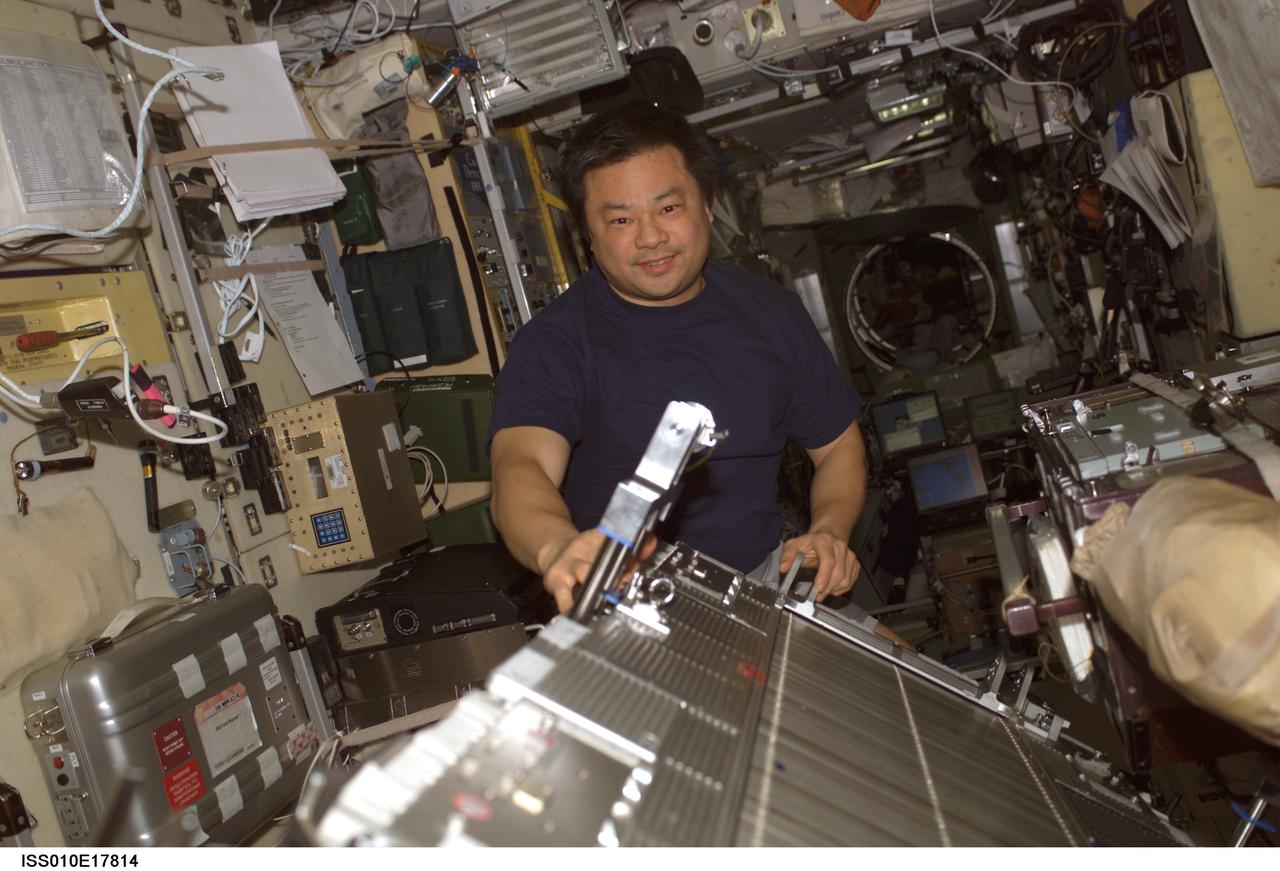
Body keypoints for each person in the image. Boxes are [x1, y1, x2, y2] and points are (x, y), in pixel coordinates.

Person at [487, 103, 868, 614]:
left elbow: (839, 444)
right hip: (628, 601)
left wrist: (829, 531)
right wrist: (557, 546)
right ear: (587, 239)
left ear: (706, 206)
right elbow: (520, 465)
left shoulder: (771, 311)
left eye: (668, 209)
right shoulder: (556, 344)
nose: (650, 238)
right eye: (621, 219)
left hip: (765, 583)